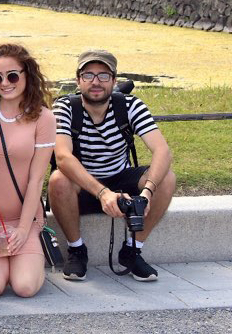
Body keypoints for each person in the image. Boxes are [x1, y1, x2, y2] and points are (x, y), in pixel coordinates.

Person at [49, 50, 175, 282]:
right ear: (78, 80)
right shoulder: (65, 107)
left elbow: (162, 151)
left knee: (166, 178)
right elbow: (63, 157)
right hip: (82, 184)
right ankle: (77, 250)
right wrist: (103, 193)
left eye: (104, 75)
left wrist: (146, 193)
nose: (96, 82)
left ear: (114, 80)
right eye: (88, 75)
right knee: (58, 179)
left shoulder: (130, 105)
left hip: (120, 177)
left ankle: (132, 250)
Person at [0, 44, 56, 298]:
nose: (5, 83)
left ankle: (27, 255)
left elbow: (37, 179)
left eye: (12, 76)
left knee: (25, 287)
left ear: (27, 74)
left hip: (23, 218)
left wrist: (24, 229)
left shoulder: (44, 118)